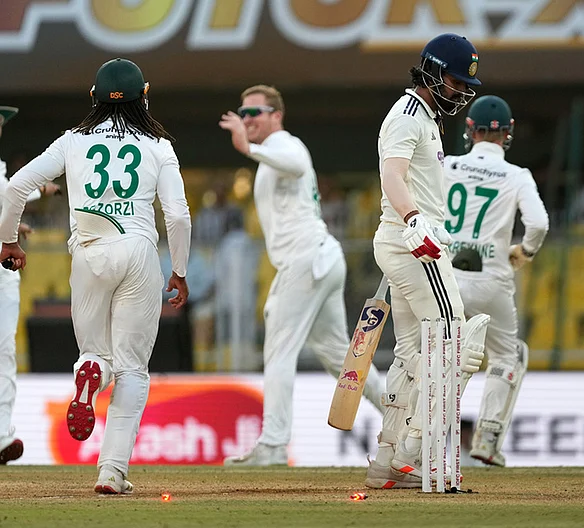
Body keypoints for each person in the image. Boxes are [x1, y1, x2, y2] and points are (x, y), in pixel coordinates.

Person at [0, 58, 191, 492]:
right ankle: (112, 472)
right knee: (133, 369)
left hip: (87, 253)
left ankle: (88, 373)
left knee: (95, 354)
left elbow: (15, 188)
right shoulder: (160, 145)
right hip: (139, 253)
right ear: (146, 95)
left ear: (93, 97)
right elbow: (178, 216)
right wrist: (179, 270)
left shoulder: (72, 141)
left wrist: (9, 241)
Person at [218, 84, 385, 466]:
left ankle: (274, 445)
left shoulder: (285, 144)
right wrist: (255, 152)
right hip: (320, 258)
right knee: (338, 356)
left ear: (276, 115)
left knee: (279, 348)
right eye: (242, 114)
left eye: (254, 113)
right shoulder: (271, 154)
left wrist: (249, 149)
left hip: (306, 259)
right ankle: (402, 417)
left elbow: (296, 162)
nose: (246, 120)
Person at [366, 33, 489, 490]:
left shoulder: (426, 117)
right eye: (455, 82)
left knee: (413, 350)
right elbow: (391, 175)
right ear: (433, 71)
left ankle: (386, 460)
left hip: (408, 240)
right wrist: (414, 220)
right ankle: (415, 452)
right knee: (456, 343)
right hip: (412, 241)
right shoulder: (407, 116)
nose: (459, 92)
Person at [443, 95, 549, 467]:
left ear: (470, 130)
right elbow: (538, 224)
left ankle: (424, 440)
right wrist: (526, 251)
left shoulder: (449, 164)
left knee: (441, 356)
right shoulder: (517, 175)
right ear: (508, 133)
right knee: (508, 354)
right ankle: (487, 439)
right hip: (491, 278)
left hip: (446, 277)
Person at [0, 105, 61, 465]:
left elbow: (6, 198)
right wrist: (38, 190)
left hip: (3, 267)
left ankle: (3, 434)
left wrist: (11, 229)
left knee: (5, 349)